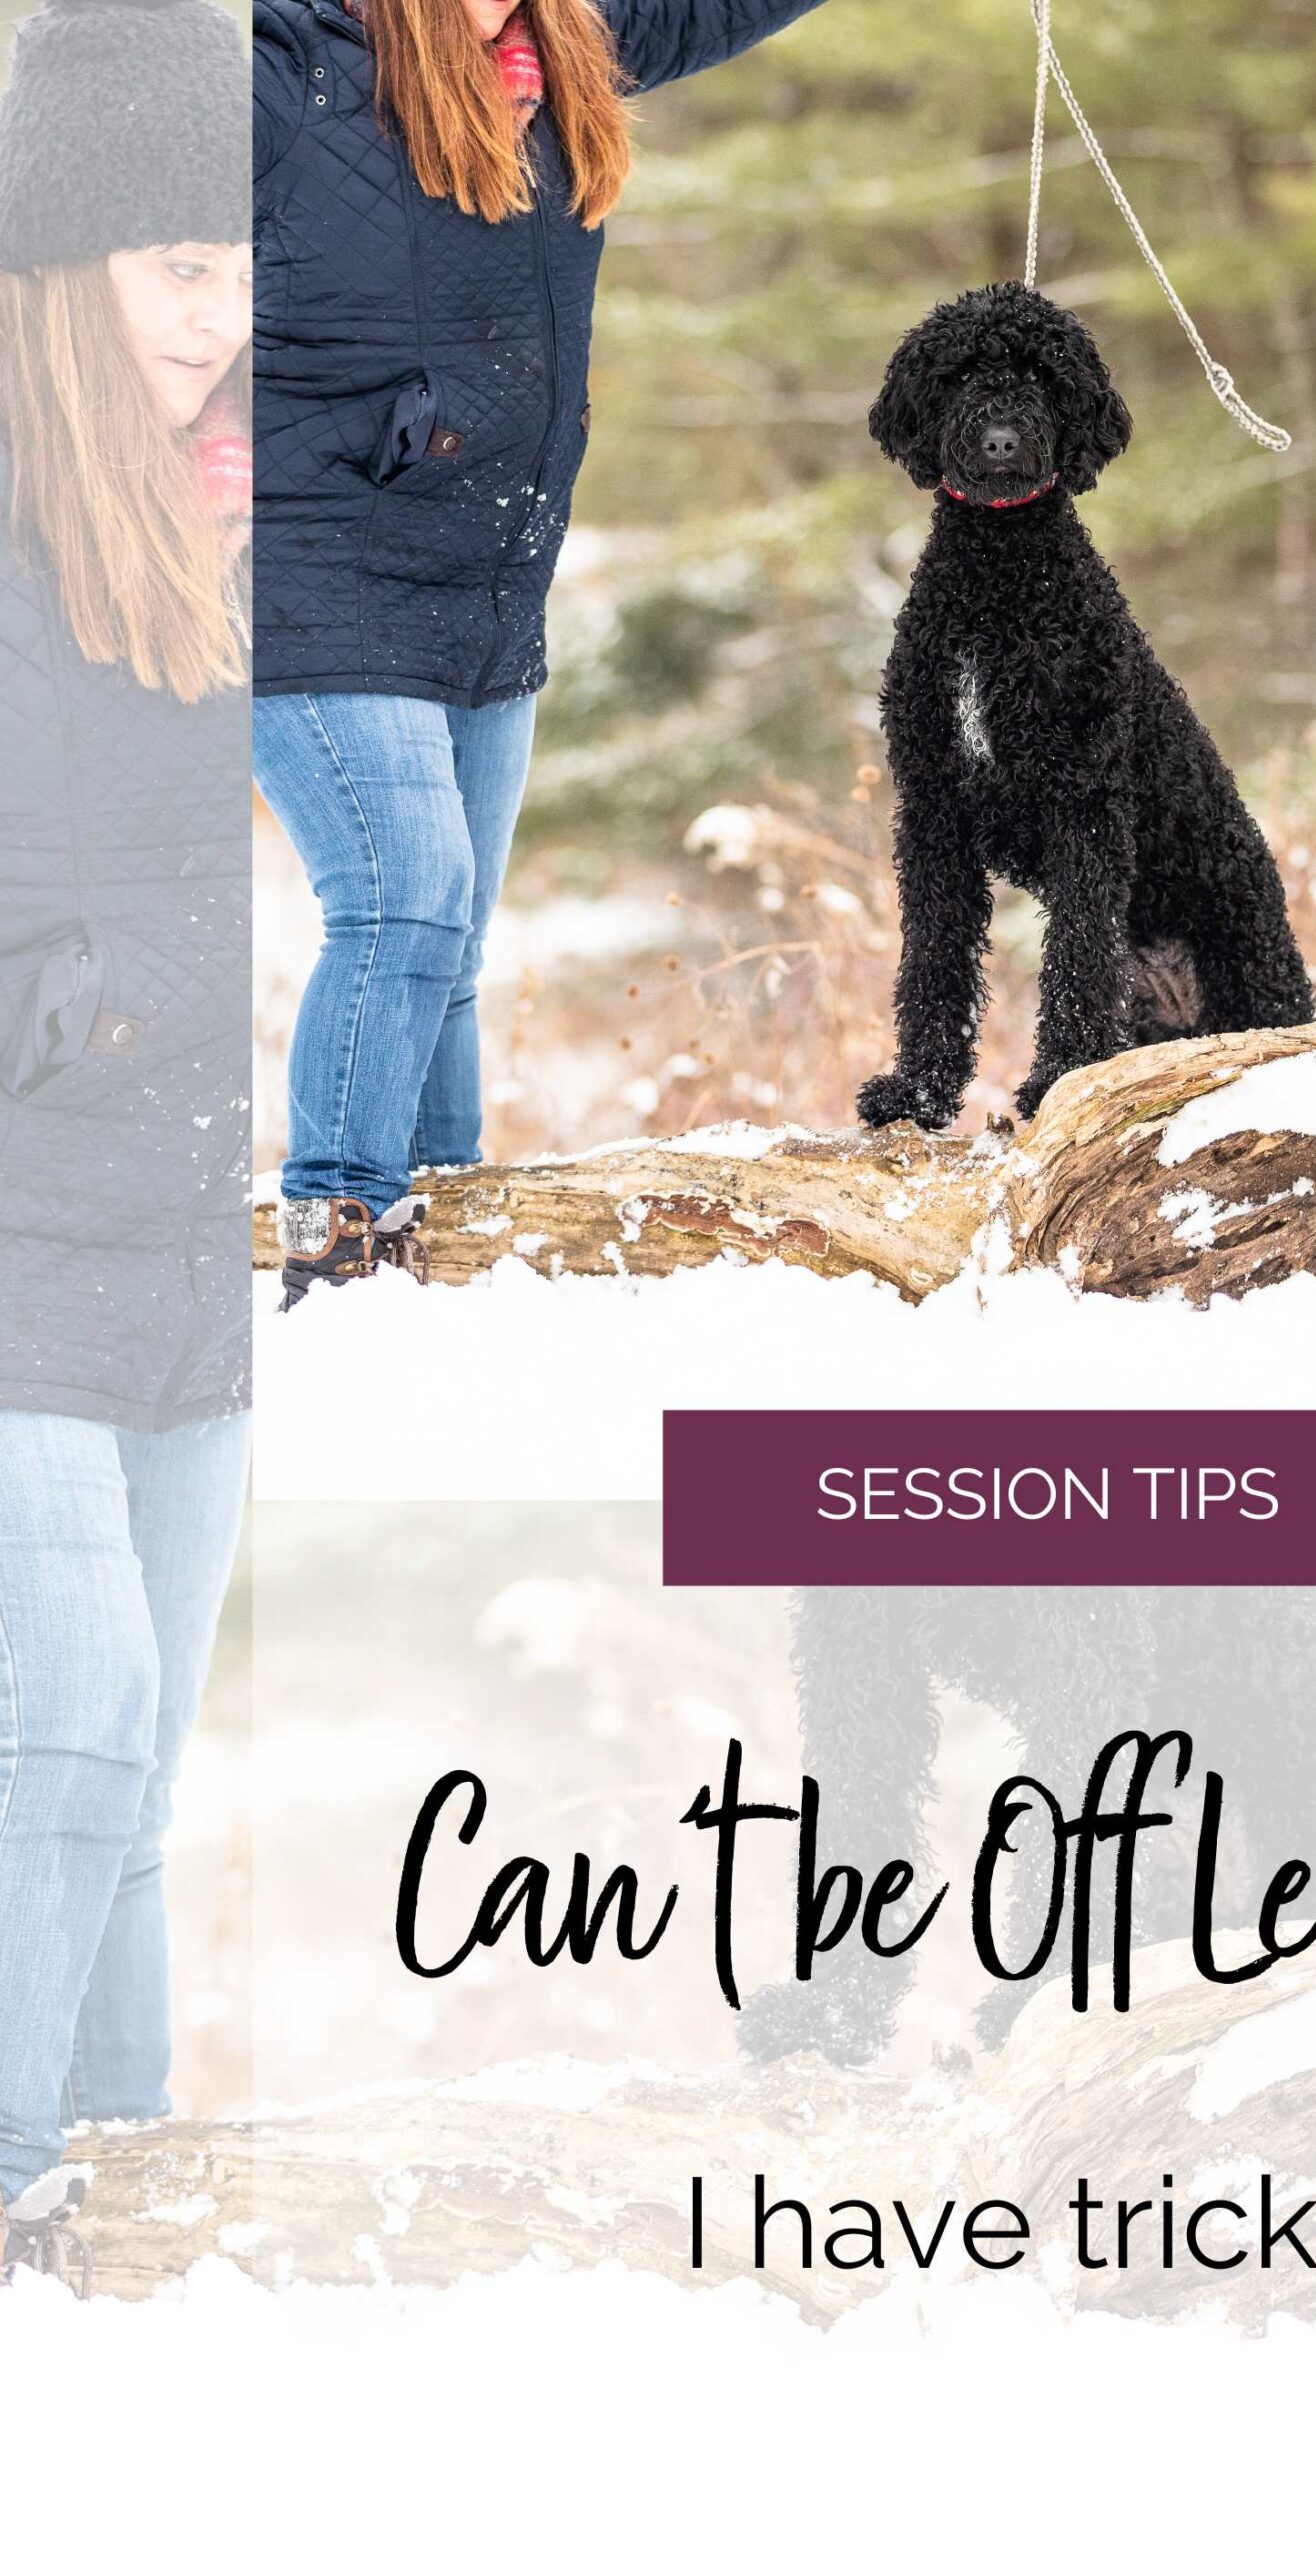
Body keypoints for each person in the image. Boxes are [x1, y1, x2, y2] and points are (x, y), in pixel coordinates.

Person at [253, 0, 827, 1304]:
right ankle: (336, 1239)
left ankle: (439, 1240)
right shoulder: (295, 61)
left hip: (486, 579)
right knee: (402, 894)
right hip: (308, 555)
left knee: (446, 941)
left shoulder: (570, 39)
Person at [0, 0, 253, 2287]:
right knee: (59, 1720)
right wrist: (62, 1008)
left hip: (178, 1235)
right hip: (12, 1225)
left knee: (139, 1785)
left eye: (243, 262)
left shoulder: (201, 529)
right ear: (61, 269)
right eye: (179, 261)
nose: (223, 313)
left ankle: (124, 2213)